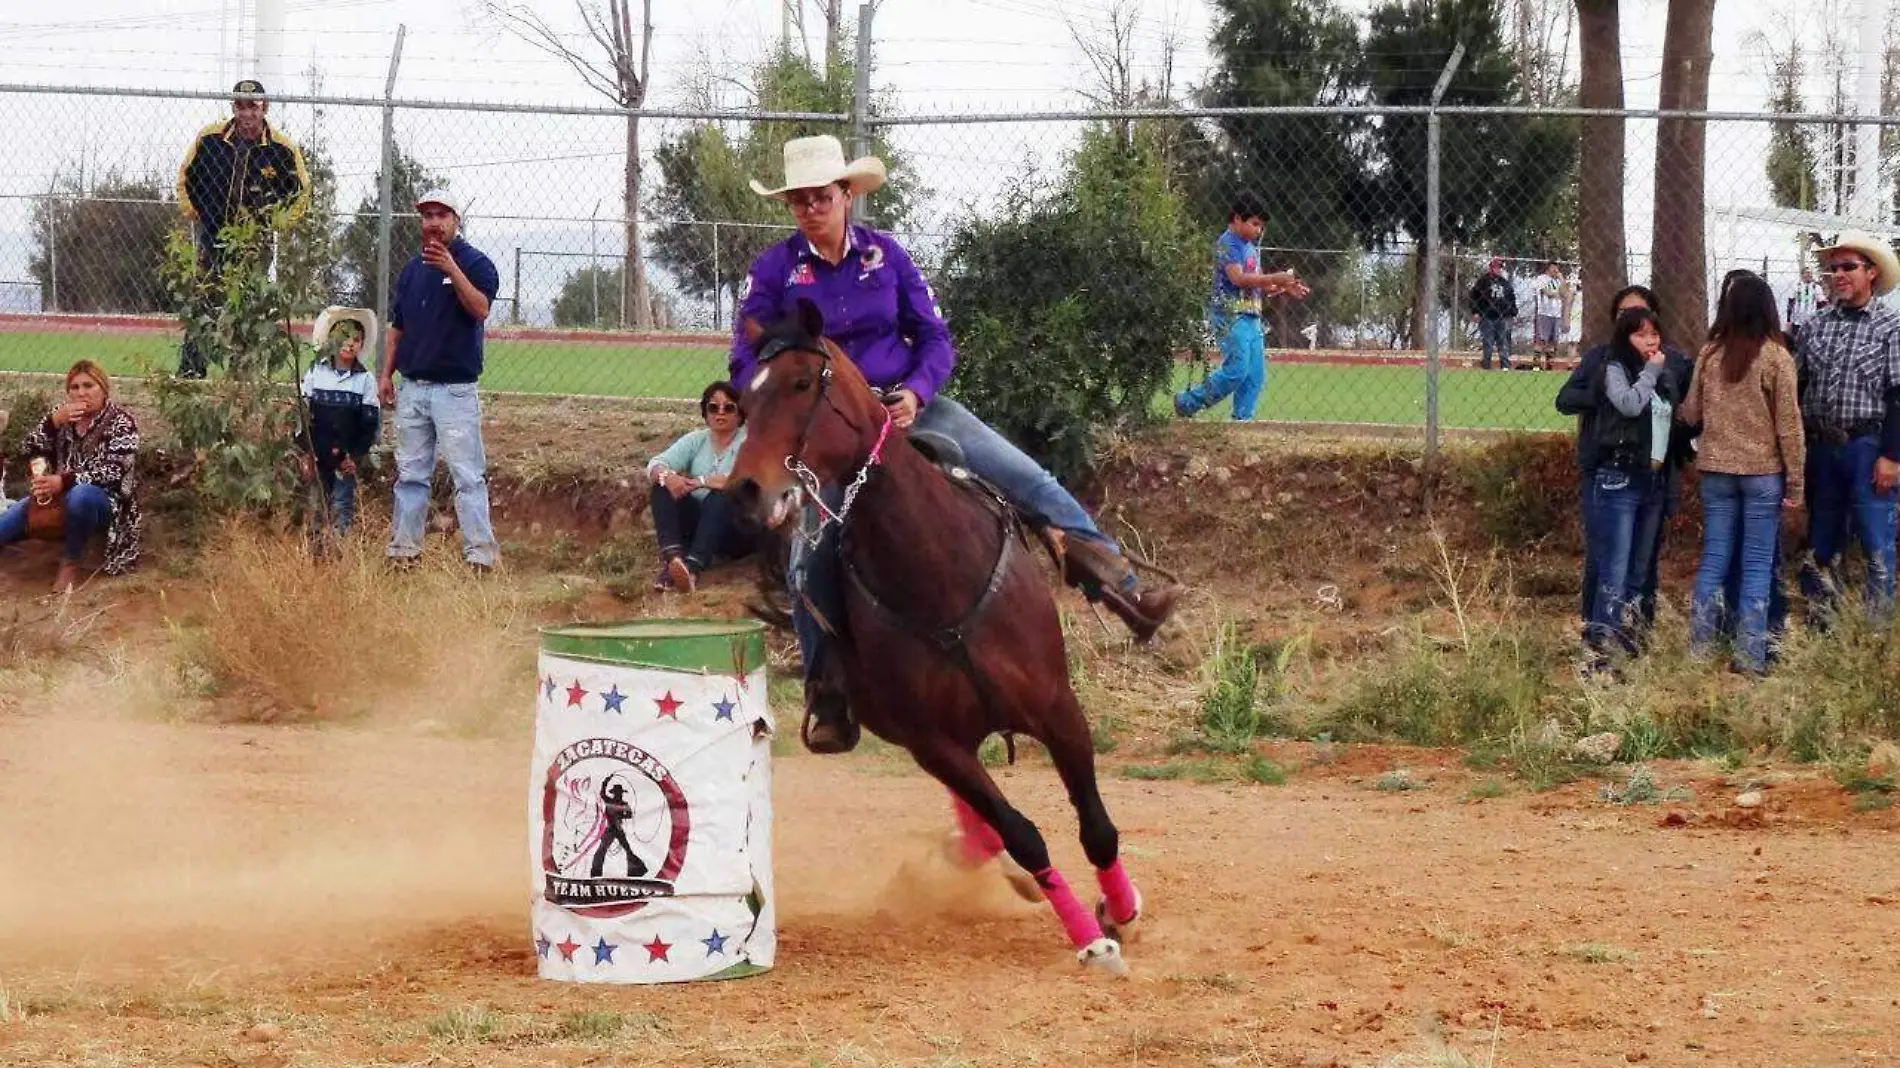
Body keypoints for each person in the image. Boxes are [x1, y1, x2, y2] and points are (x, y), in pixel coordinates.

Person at [730, 134, 1184, 754]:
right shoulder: (773, 274)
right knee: (809, 559)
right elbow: (745, 360)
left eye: (823, 196)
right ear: (790, 207)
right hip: (832, 436)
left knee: (1028, 479)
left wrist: (916, 392)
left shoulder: (888, 258)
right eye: (801, 200)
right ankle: (828, 693)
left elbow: (935, 338)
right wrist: (779, 415)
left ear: (846, 196)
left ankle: (1126, 591)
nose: (812, 207)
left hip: (915, 410)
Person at [1678, 273, 1804, 674]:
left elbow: (1691, 412)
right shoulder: (1776, 357)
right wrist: (1797, 481)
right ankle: (1750, 658)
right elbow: (1789, 424)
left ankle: (1699, 652)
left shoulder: (1710, 354)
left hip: (1716, 470)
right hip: (1762, 473)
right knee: (1755, 565)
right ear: (1767, 308)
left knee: (1713, 559)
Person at [1555, 284, 1693, 636]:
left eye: (1649, 325)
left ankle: (1637, 634)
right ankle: (1598, 633)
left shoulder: (1673, 361)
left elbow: (1685, 413)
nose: (1644, 334)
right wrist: (1606, 398)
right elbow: (1567, 399)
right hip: (1607, 467)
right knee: (1606, 558)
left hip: (1655, 473)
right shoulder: (1604, 360)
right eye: (1626, 319)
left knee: (1642, 564)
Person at [377, 189, 502, 573]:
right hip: (414, 388)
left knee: (467, 475)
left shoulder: (477, 264)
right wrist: (385, 374)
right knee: (411, 474)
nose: (433, 222)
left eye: (441, 215)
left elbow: (480, 309)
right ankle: (404, 553)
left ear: (455, 221)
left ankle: (480, 556)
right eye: (427, 215)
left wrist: (452, 271)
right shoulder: (412, 270)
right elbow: (398, 328)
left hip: (454, 391)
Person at [174, 78, 310, 379]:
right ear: (232, 107)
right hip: (213, 239)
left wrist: (279, 223)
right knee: (203, 304)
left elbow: (302, 192)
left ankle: (242, 375)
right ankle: (191, 372)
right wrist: (195, 213)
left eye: (253, 106)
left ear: (265, 108)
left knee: (249, 309)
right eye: (240, 106)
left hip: (255, 245)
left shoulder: (282, 149)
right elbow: (185, 178)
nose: (246, 113)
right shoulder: (209, 138)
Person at [1794, 232, 1900, 616]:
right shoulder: (1816, 324)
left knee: (1876, 539)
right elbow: (1798, 383)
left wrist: (1892, 456)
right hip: (1821, 447)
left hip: (1867, 447)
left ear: (1871, 273)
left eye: (1848, 266)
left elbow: (1898, 396)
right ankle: (1822, 623)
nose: (1838, 274)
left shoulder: (1891, 326)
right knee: (1822, 538)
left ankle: (1874, 633)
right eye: (1833, 267)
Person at [1579, 307, 1684, 666]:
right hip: (1619, 480)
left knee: (1639, 571)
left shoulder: (1663, 375)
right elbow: (1628, 404)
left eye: (1654, 333)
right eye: (1641, 335)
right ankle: (1600, 649)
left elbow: (1671, 421)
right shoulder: (1614, 369)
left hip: (1651, 482)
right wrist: (1653, 371)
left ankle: (1628, 646)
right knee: (1615, 568)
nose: (1650, 341)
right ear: (1625, 339)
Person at [0, 361, 142, 590]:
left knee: (81, 495)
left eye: (89, 385)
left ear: (103, 389)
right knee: (5, 526)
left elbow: (114, 472)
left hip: (107, 502)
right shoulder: (63, 417)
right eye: (74, 387)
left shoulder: (122, 422)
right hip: (59, 496)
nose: (81, 393)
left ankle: (71, 561)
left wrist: (63, 481)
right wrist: (53, 423)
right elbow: (26, 450)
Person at [1173, 197, 1310, 419]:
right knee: (1236, 371)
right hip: (1229, 315)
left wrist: (1282, 287)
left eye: (1261, 226)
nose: (1259, 230)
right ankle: (1187, 402)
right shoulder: (1228, 243)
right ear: (1237, 219)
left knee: (1254, 375)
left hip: (1251, 316)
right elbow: (1237, 278)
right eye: (1255, 224)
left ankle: (1242, 420)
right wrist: (1275, 276)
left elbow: (1257, 284)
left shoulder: (1250, 249)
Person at [645, 381, 753, 593]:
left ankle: (693, 568)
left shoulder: (749, 441)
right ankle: (673, 561)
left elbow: (741, 478)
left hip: (737, 528)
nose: (720, 413)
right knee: (661, 486)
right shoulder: (697, 439)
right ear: (705, 412)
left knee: (721, 496)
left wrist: (700, 482)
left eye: (729, 407)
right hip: (701, 523)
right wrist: (667, 476)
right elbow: (655, 465)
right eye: (713, 407)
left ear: (740, 414)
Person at [299, 321, 380, 540]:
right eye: (344, 337)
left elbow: (369, 424)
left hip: (345, 460)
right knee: (316, 505)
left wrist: (355, 456)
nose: (349, 344)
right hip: (317, 455)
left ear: (361, 345)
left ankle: (337, 555)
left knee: (341, 507)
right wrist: (305, 452)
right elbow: (302, 415)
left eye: (356, 340)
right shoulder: (316, 371)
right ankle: (313, 557)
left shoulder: (365, 380)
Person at [1467, 257, 1517, 371]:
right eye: (1495, 267)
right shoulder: (1482, 282)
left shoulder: (1504, 283)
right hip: (1486, 316)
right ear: (1490, 267)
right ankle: (1486, 364)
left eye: (1499, 268)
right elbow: (1474, 297)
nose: (1497, 270)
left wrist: (1512, 311)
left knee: (1503, 341)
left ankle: (1505, 365)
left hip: (1501, 316)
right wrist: (1475, 312)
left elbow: (1511, 297)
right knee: (1488, 342)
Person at [1528, 262, 1567, 371]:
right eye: (1554, 268)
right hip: (1544, 313)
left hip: (1556, 314)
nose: (1556, 270)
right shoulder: (1541, 279)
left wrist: (1561, 278)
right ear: (1549, 268)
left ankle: (1549, 365)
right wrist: (1558, 295)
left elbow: (1565, 293)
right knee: (1541, 339)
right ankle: (1536, 364)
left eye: (1557, 268)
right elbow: (1547, 292)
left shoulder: (1558, 280)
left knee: (1552, 341)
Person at [1786, 265, 1828, 339]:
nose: (1809, 275)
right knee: (1796, 340)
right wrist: (1788, 320)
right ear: (1802, 275)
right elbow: (1790, 302)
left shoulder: (1816, 287)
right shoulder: (1796, 286)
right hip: (1797, 320)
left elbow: (1822, 303)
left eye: (1810, 273)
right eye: (1807, 273)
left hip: (1812, 320)